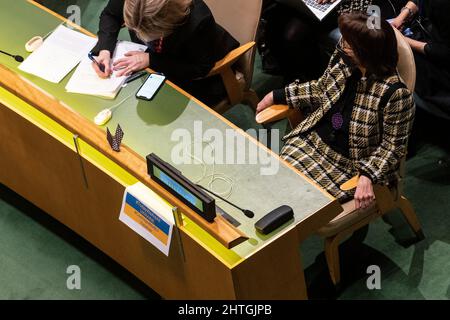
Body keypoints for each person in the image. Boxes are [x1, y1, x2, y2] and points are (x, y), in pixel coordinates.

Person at [257, 13, 415, 209]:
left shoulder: (396, 94)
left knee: (291, 201)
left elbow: (393, 147)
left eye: (349, 44)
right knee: (271, 184)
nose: (342, 45)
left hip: (350, 165)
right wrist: (278, 95)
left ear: (365, 53)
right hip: (313, 141)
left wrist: (367, 175)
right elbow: (321, 89)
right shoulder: (345, 60)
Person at [90, 0, 240, 105]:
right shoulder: (136, 3)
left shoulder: (198, 21)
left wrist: (151, 60)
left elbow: (200, 68)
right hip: (153, 64)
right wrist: (105, 49)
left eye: (145, 33)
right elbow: (110, 15)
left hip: (197, 72)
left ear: (168, 22)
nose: (139, 36)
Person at [391, 0, 450, 117]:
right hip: (430, 36)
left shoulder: (443, 5)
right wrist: (403, 14)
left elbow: (445, 52)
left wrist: (405, 41)